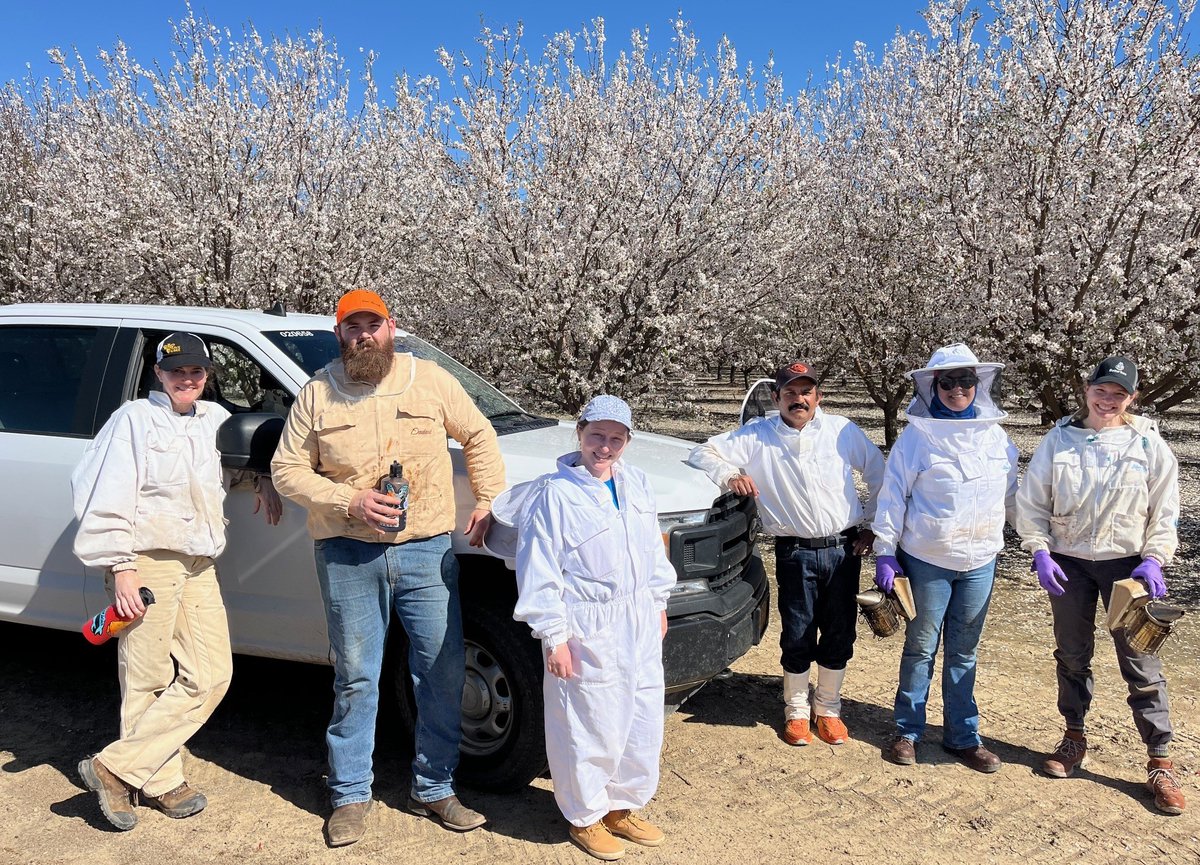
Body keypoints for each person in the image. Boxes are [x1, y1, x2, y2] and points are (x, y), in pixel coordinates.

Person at [271, 288, 505, 847]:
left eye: (372, 325)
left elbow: (477, 434)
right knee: (356, 677)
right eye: (352, 327)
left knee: (442, 673)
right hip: (348, 553)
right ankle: (350, 794)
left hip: (426, 551)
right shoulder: (317, 392)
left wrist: (488, 499)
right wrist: (349, 501)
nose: (363, 336)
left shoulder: (431, 380)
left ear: (391, 327)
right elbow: (285, 469)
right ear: (339, 335)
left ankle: (433, 787)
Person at [72, 333, 281, 831]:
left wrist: (262, 478)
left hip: (199, 563)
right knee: (146, 676)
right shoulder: (133, 421)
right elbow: (104, 493)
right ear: (159, 374)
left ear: (207, 376)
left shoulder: (214, 420)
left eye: (196, 372)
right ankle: (157, 780)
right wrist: (122, 565)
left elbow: (223, 468)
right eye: (176, 371)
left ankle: (114, 768)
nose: (187, 379)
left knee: (211, 674)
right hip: (147, 561)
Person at [501, 395, 675, 861]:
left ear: (627, 441)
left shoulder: (636, 483)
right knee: (588, 720)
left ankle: (622, 804)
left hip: (636, 619)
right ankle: (585, 815)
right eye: (597, 435)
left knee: (639, 714)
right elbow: (539, 569)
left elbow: (652, 552)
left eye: (616, 438)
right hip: (585, 624)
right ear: (579, 434)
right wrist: (553, 635)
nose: (605, 446)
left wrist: (658, 601)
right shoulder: (554, 494)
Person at [1015, 356, 1185, 815]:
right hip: (1069, 563)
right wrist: (1039, 550)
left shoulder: (1147, 444)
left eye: (1119, 393)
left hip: (1128, 567)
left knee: (1141, 662)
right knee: (1072, 654)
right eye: (1101, 390)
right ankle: (1073, 738)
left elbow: (1164, 509)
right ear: (1086, 389)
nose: (1108, 400)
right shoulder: (1060, 438)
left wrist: (1155, 559)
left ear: (1132, 397)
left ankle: (1160, 761)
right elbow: (1032, 500)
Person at [689, 362, 884, 747]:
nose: (799, 399)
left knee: (840, 631)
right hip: (795, 551)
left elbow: (879, 472)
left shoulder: (841, 430)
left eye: (806, 391)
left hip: (843, 549)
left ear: (818, 396)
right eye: (790, 393)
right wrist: (729, 475)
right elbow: (703, 451)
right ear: (777, 397)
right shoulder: (757, 435)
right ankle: (796, 709)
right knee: (797, 630)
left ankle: (828, 708)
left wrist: (872, 524)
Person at [871, 343, 1018, 773]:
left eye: (966, 381)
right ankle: (908, 731)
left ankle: (962, 736)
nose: (958, 389)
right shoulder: (916, 438)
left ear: (979, 384)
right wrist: (885, 551)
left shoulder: (997, 437)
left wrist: (1038, 543)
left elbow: (1011, 497)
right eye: (948, 381)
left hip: (980, 560)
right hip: (927, 559)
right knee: (920, 647)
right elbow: (893, 496)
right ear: (933, 387)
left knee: (964, 651)